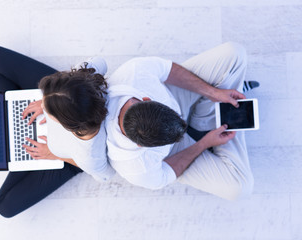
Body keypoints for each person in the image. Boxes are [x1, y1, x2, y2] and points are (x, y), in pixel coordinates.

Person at [105, 42, 255, 200]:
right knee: (240, 189)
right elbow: (167, 173)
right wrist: (203, 144)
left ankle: (213, 111)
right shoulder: (135, 168)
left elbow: (168, 70)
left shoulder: (134, 74)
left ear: (146, 98)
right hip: (174, 152)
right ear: (140, 145)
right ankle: (220, 121)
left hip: (176, 96)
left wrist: (213, 92)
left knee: (235, 53)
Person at [0, 45, 115, 218]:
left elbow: (105, 174)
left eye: (49, 111)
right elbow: (99, 61)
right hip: (69, 95)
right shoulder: (86, 81)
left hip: (64, 156)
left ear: (65, 123)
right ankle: (54, 97)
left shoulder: (89, 156)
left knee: (4, 205)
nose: (42, 105)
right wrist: (59, 94)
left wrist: (54, 154)